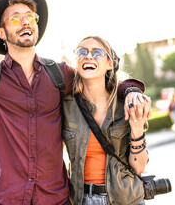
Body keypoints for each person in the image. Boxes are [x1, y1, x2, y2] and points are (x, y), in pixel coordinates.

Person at [0, 0, 151, 205]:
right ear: (1, 33)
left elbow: (98, 78)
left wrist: (131, 91)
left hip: (55, 197)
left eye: (30, 17)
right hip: (7, 197)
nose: (25, 22)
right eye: (15, 19)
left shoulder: (59, 75)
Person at [62, 36, 149, 205]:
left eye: (97, 52)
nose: (88, 56)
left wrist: (137, 128)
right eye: (82, 52)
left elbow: (139, 167)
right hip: (82, 199)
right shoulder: (66, 106)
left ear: (110, 64)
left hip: (126, 199)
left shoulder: (127, 103)